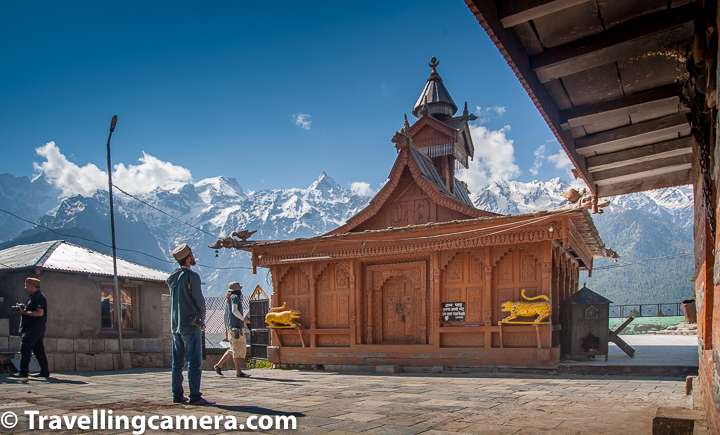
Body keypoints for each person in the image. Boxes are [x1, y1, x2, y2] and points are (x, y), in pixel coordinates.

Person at [167, 243, 214, 405]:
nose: (193, 258)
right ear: (188, 258)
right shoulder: (191, 277)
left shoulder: (171, 278)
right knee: (194, 363)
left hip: (176, 326)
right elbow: (199, 301)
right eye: (192, 255)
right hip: (191, 324)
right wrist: (202, 320)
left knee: (177, 364)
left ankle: (177, 395)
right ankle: (195, 396)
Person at [12, 277, 50, 378]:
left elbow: (39, 313)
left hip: (34, 328)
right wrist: (24, 307)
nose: (25, 288)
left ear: (32, 286)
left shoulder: (38, 297)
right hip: (35, 328)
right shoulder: (32, 296)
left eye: (27, 286)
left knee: (25, 349)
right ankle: (44, 371)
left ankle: (23, 372)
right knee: (38, 350)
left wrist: (23, 312)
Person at [213, 282, 251, 378]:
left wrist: (226, 328)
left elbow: (225, 315)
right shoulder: (235, 298)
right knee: (237, 349)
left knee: (233, 348)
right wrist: (243, 319)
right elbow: (235, 310)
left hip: (230, 327)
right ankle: (238, 372)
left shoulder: (228, 300)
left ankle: (219, 365)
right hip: (236, 327)